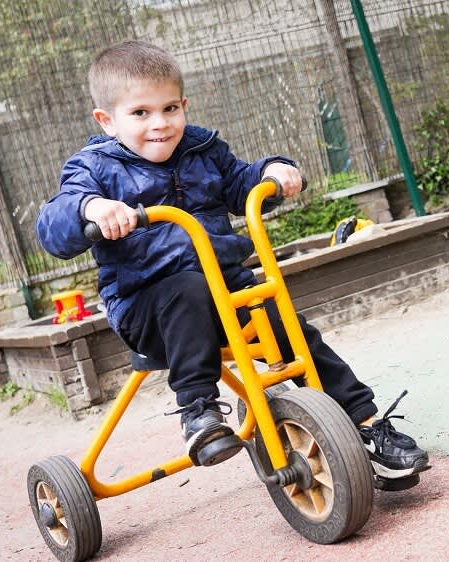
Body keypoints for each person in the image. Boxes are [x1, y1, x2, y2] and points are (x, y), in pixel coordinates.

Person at [35, 40, 429, 481]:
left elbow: (243, 182)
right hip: (148, 309)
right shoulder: (93, 169)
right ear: (107, 121)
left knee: (291, 330)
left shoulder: (203, 149)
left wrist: (273, 171)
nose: (161, 124)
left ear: (184, 105)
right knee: (186, 289)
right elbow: (53, 223)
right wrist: (91, 208)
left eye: (170, 108)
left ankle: (365, 423)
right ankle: (198, 411)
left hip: (228, 292)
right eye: (141, 113)